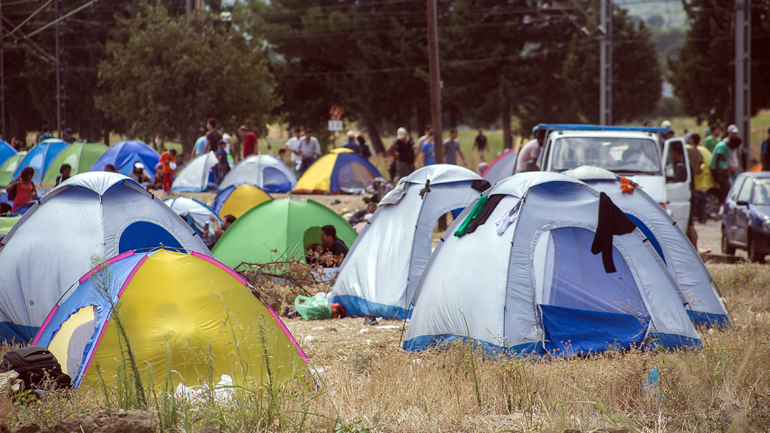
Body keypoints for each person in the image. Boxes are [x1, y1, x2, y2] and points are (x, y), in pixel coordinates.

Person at [711, 136, 741, 202]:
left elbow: (725, 161)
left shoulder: (727, 148)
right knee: (726, 188)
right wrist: (718, 173)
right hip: (717, 170)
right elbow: (717, 159)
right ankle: (724, 202)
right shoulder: (722, 146)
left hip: (723, 170)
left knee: (730, 186)